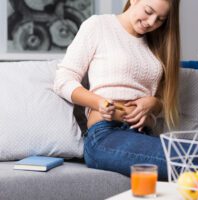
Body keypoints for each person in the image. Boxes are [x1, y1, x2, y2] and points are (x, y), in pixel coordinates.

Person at [53, 0, 180, 180]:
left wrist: (154, 103)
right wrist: (99, 102)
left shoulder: (157, 44)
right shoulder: (98, 26)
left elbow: (162, 101)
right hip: (106, 135)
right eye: (148, 11)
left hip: (146, 134)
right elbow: (63, 80)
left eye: (160, 19)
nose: (152, 22)